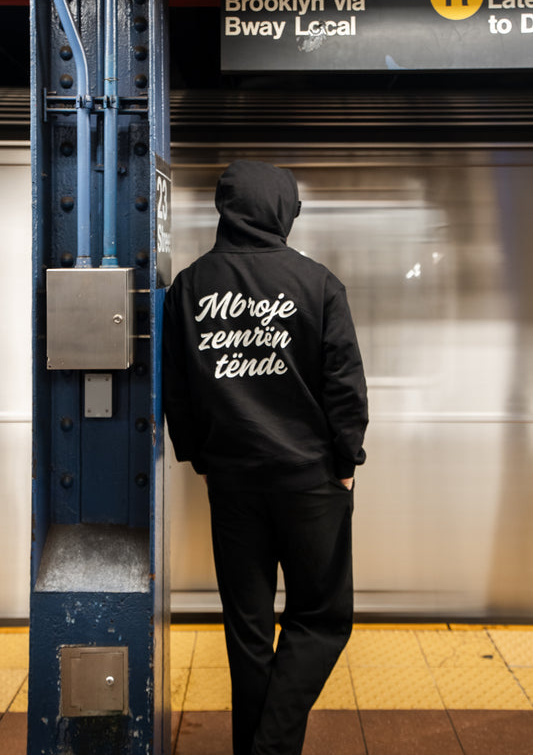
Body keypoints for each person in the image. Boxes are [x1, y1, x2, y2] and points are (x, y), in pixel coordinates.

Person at [163, 160, 368, 755]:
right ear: (283, 210)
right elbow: (344, 385)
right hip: (311, 484)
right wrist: (346, 460)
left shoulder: (190, 288)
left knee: (247, 631)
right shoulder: (318, 283)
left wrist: (201, 457)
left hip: (233, 484)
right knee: (322, 618)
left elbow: (177, 387)